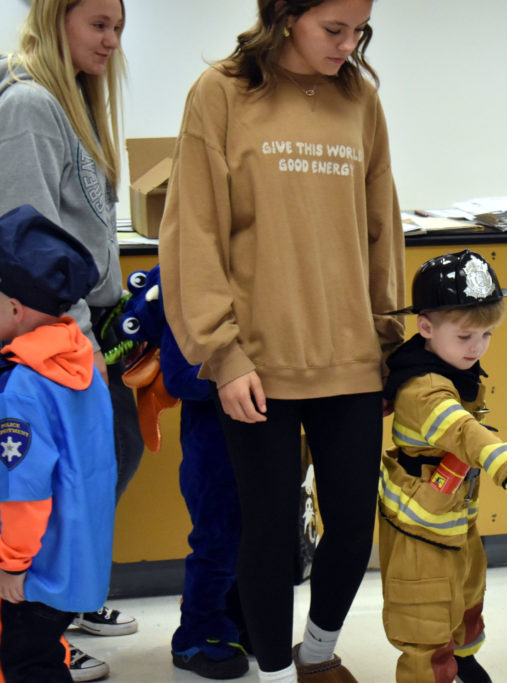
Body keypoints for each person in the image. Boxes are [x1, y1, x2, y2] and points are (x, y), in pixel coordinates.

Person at [158, 0, 406, 680]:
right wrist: (222, 351)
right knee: (266, 532)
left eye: (360, 30)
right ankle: (271, 671)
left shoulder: (361, 100)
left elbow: (382, 225)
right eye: (335, 29)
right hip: (258, 363)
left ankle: (316, 655)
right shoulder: (223, 94)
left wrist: (390, 340)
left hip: (352, 358)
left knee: (354, 525)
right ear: (286, 15)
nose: (349, 44)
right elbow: (193, 234)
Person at [0, 1, 142, 677]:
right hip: (56, 338)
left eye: (118, 27)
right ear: (57, 20)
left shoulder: (74, 100)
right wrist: (72, 350)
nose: (112, 41)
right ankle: (39, 618)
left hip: (85, 331)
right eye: (98, 25)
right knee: (54, 486)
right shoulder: (29, 104)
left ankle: (66, 600)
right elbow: (29, 243)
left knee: (98, 470)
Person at [378, 250, 507, 683]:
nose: (478, 347)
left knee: (468, 591)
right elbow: (468, 434)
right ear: (426, 326)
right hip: (421, 526)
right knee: (426, 618)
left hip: (454, 514)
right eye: (466, 336)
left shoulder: (452, 368)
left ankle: (464, 659)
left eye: (486, 334)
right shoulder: (422, 390)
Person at [0, 205, 116, 683]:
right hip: (79, 567)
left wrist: (10, 566)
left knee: (27, 667)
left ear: (13, 309)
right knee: (45, 658)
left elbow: (22, 492)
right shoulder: (82, 365)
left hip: (34, 575)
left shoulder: (24, 388)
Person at [119, 266, 249, 680]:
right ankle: (197, 631)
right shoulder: (191, 284)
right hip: (214, 450)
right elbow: (181, 377)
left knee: (253, 542)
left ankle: (239, 624)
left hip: (258, 442)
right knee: (217, 540)